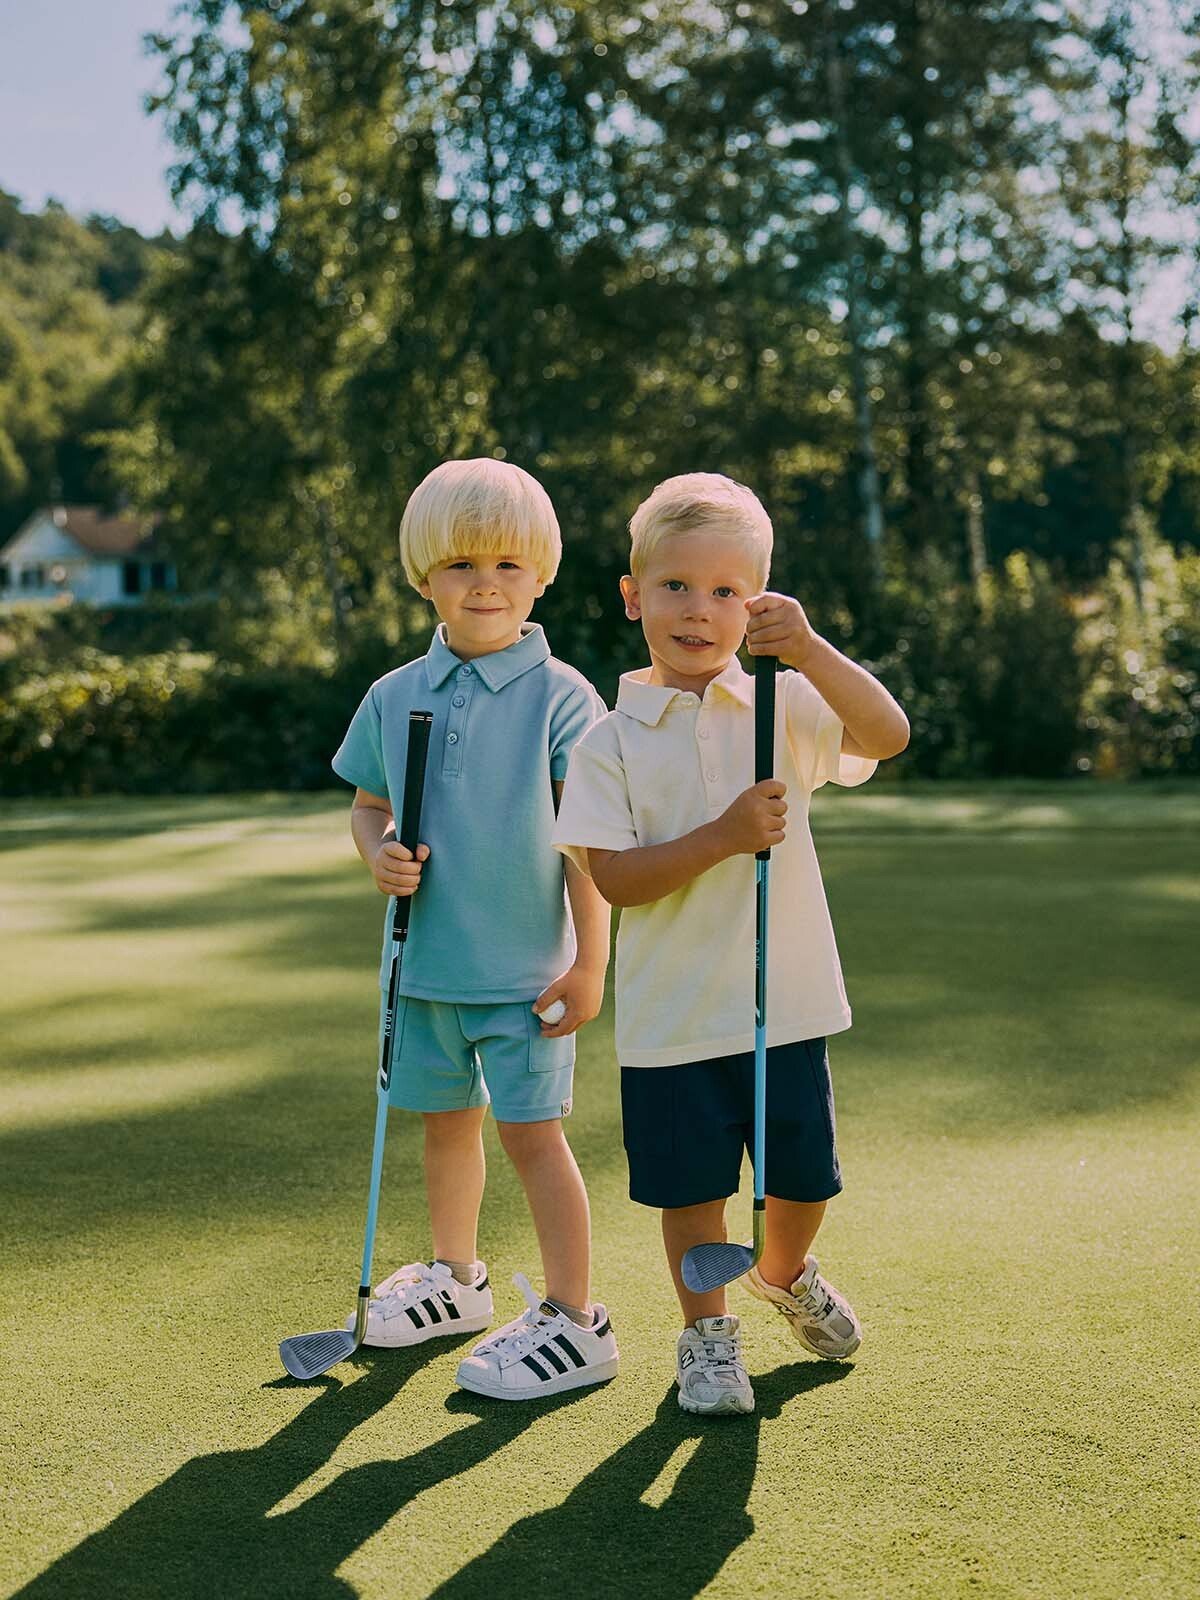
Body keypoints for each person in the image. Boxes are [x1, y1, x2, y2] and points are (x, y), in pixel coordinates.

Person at [552, 472, 909, 1415]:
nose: (698, 611)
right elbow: (613, 878)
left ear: (755, 604)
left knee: (804, 1180)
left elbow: (887, 731)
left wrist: (812, 649)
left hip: (785, 1004)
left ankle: (783, 1272)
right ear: (633, 597)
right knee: (693, 1196)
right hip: (674, 1019)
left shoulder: (783, 706)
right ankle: (707, 1336)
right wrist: (723, 834)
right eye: (674, 586)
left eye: (725, 592)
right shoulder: (607, 740)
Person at [331, 457, 618, 1400]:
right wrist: (377, 852)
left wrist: (590, 963)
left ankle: (576, 1319)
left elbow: (589, 846)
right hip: (422, 970)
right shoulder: (393, 693)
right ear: (425, 580)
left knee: (535, 1140)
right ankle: (457, 1279)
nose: (484, 583)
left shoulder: (565, 697)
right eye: (460, 566)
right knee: (445, 1128)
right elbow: (372, 803)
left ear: (540, 576)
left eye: (507, 563)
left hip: (527, 973)